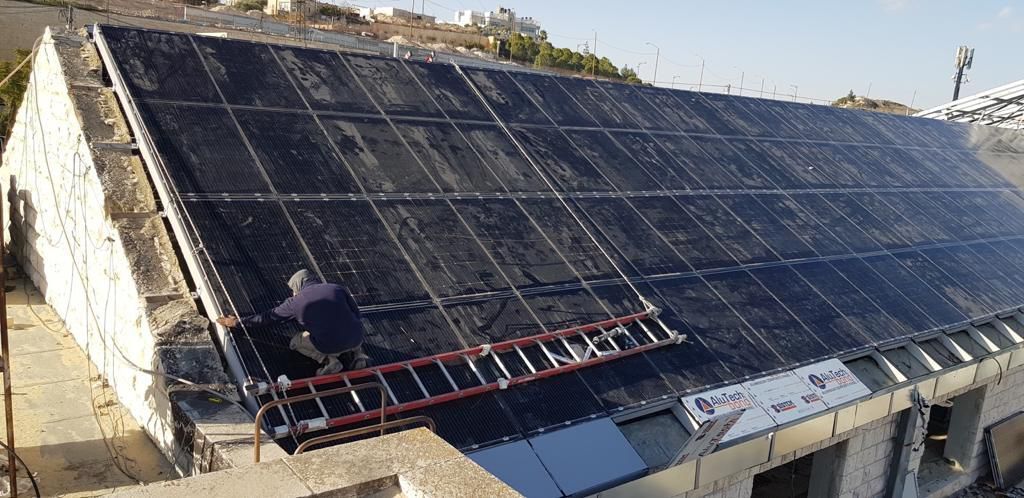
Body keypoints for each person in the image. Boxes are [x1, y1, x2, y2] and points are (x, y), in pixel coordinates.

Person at [217, 270, 368, 376]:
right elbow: (357, 314)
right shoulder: (336, 288)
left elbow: (268, 318)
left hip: (331, 346)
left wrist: (237, 323)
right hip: (357, 337)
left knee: (296, 341)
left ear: (298, 285)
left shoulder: (295, 302)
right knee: (348, 325)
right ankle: (359, 355)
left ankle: (329, 360)